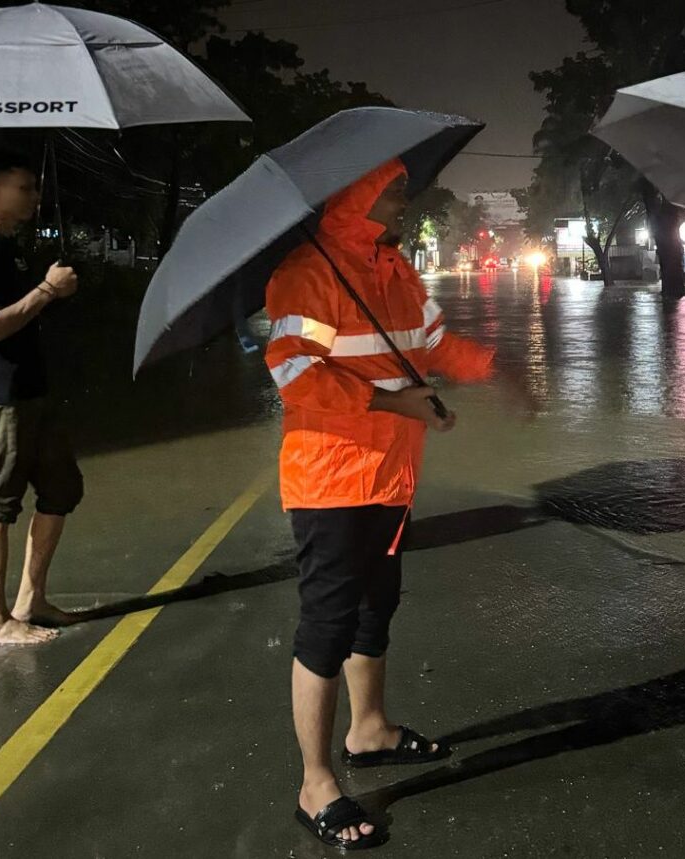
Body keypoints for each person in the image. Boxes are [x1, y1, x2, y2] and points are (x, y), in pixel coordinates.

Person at [264, 160, 502, 850]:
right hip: (330, 478)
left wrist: (493, 368)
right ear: (357, 194)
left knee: (377, 606)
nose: (405, 201)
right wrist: (397, 400)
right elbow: (295, 373)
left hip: (392, 474)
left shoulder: (392, 269)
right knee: (327, 626)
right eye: (394, 190)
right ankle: (316, 783)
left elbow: (430, 343)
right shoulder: (306, 273)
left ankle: (368, 730)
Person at [0, 151, 83, 647]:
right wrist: (47, 291)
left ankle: (32, 600)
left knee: (62, 487)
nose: (33, 195)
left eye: (34, 186)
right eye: (22, 187)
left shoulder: (5, 246)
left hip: (28, 390)